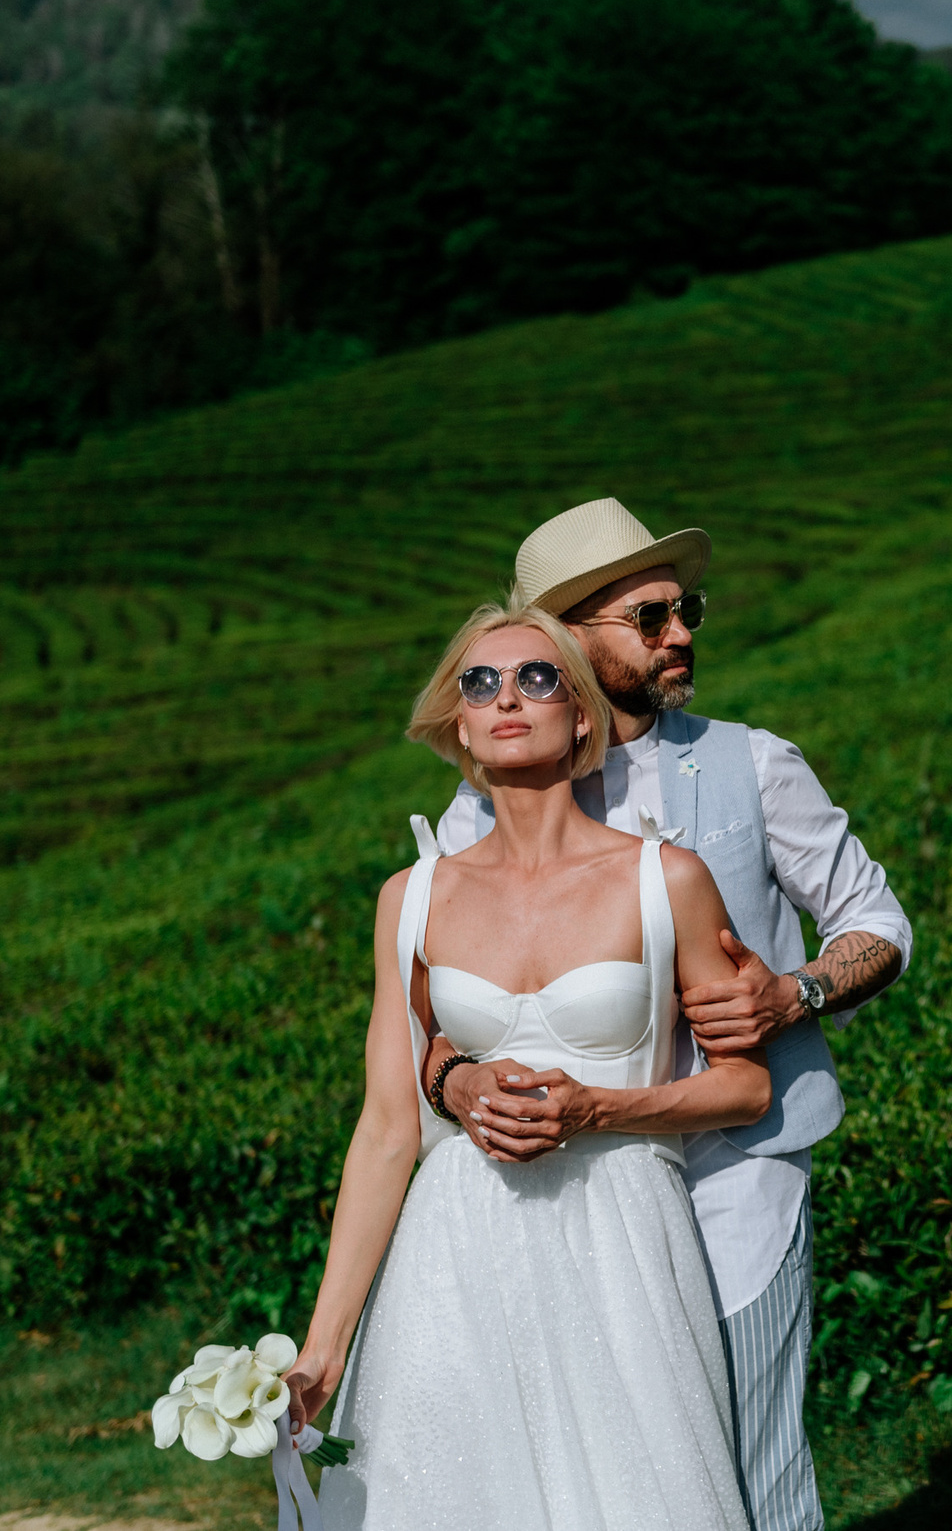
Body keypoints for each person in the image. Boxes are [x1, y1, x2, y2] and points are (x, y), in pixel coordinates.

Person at [419, 497, 911, 1531]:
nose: (681, 631)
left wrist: (796, 991)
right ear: (567, 633)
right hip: (575, 1197)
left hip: (739, 1167)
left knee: (752, 1464)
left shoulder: (754, 761)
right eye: (648, 617)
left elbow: (877, 922)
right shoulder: (491, 796)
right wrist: (457, 1078)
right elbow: (432, 1002)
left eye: (685, 608)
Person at [286, 602, 767, 1530]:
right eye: (481, 683)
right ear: (459, 723)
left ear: (581, 714)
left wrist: (597, 1109)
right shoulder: (411, 900)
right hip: (454, 1250)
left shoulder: (665, 879)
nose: (508, 697)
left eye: (537, 677)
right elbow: (390, 1129)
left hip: (622, 1241)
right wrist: (323, 1349)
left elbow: (745, 1086)